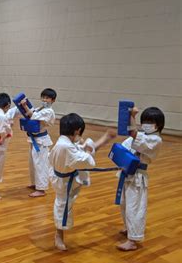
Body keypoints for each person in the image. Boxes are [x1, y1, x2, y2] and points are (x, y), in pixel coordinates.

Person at [50, 113, 115, 251]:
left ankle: (105, 139)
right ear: (78, 130)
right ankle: (59, 235)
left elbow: (82, 153)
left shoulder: (64, 143)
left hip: (65, 177)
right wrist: (85, 149)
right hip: (64, 181)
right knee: (63, 206)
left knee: (85, 148)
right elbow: (88, 161)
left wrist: (104, 139)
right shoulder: (66, 147)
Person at [117, 106, 164, 251]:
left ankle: (133, 240)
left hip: (138, 177)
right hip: (127, 173)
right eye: (145, 121)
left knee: (135, 207)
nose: (146, 124)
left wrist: (132, 115)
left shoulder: (155, 140)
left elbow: (133, 133)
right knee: (125, 205)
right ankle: (128, 228)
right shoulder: (141, 136)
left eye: (150, 122)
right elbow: (125, 146)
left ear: (158, 125)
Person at [19, 88, 57, 197]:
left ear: (53, 100)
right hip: (33, 138)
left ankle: (41, 189)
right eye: (43, 97)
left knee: (41, 164)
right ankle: (35, 183)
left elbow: (32, 116)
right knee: (33, 163)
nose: (44, 100)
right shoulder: (40, 108)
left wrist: (25, 106)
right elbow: (30, 113)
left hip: (41, 141)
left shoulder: (49, 112)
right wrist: (23, 106)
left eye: (47, 98)